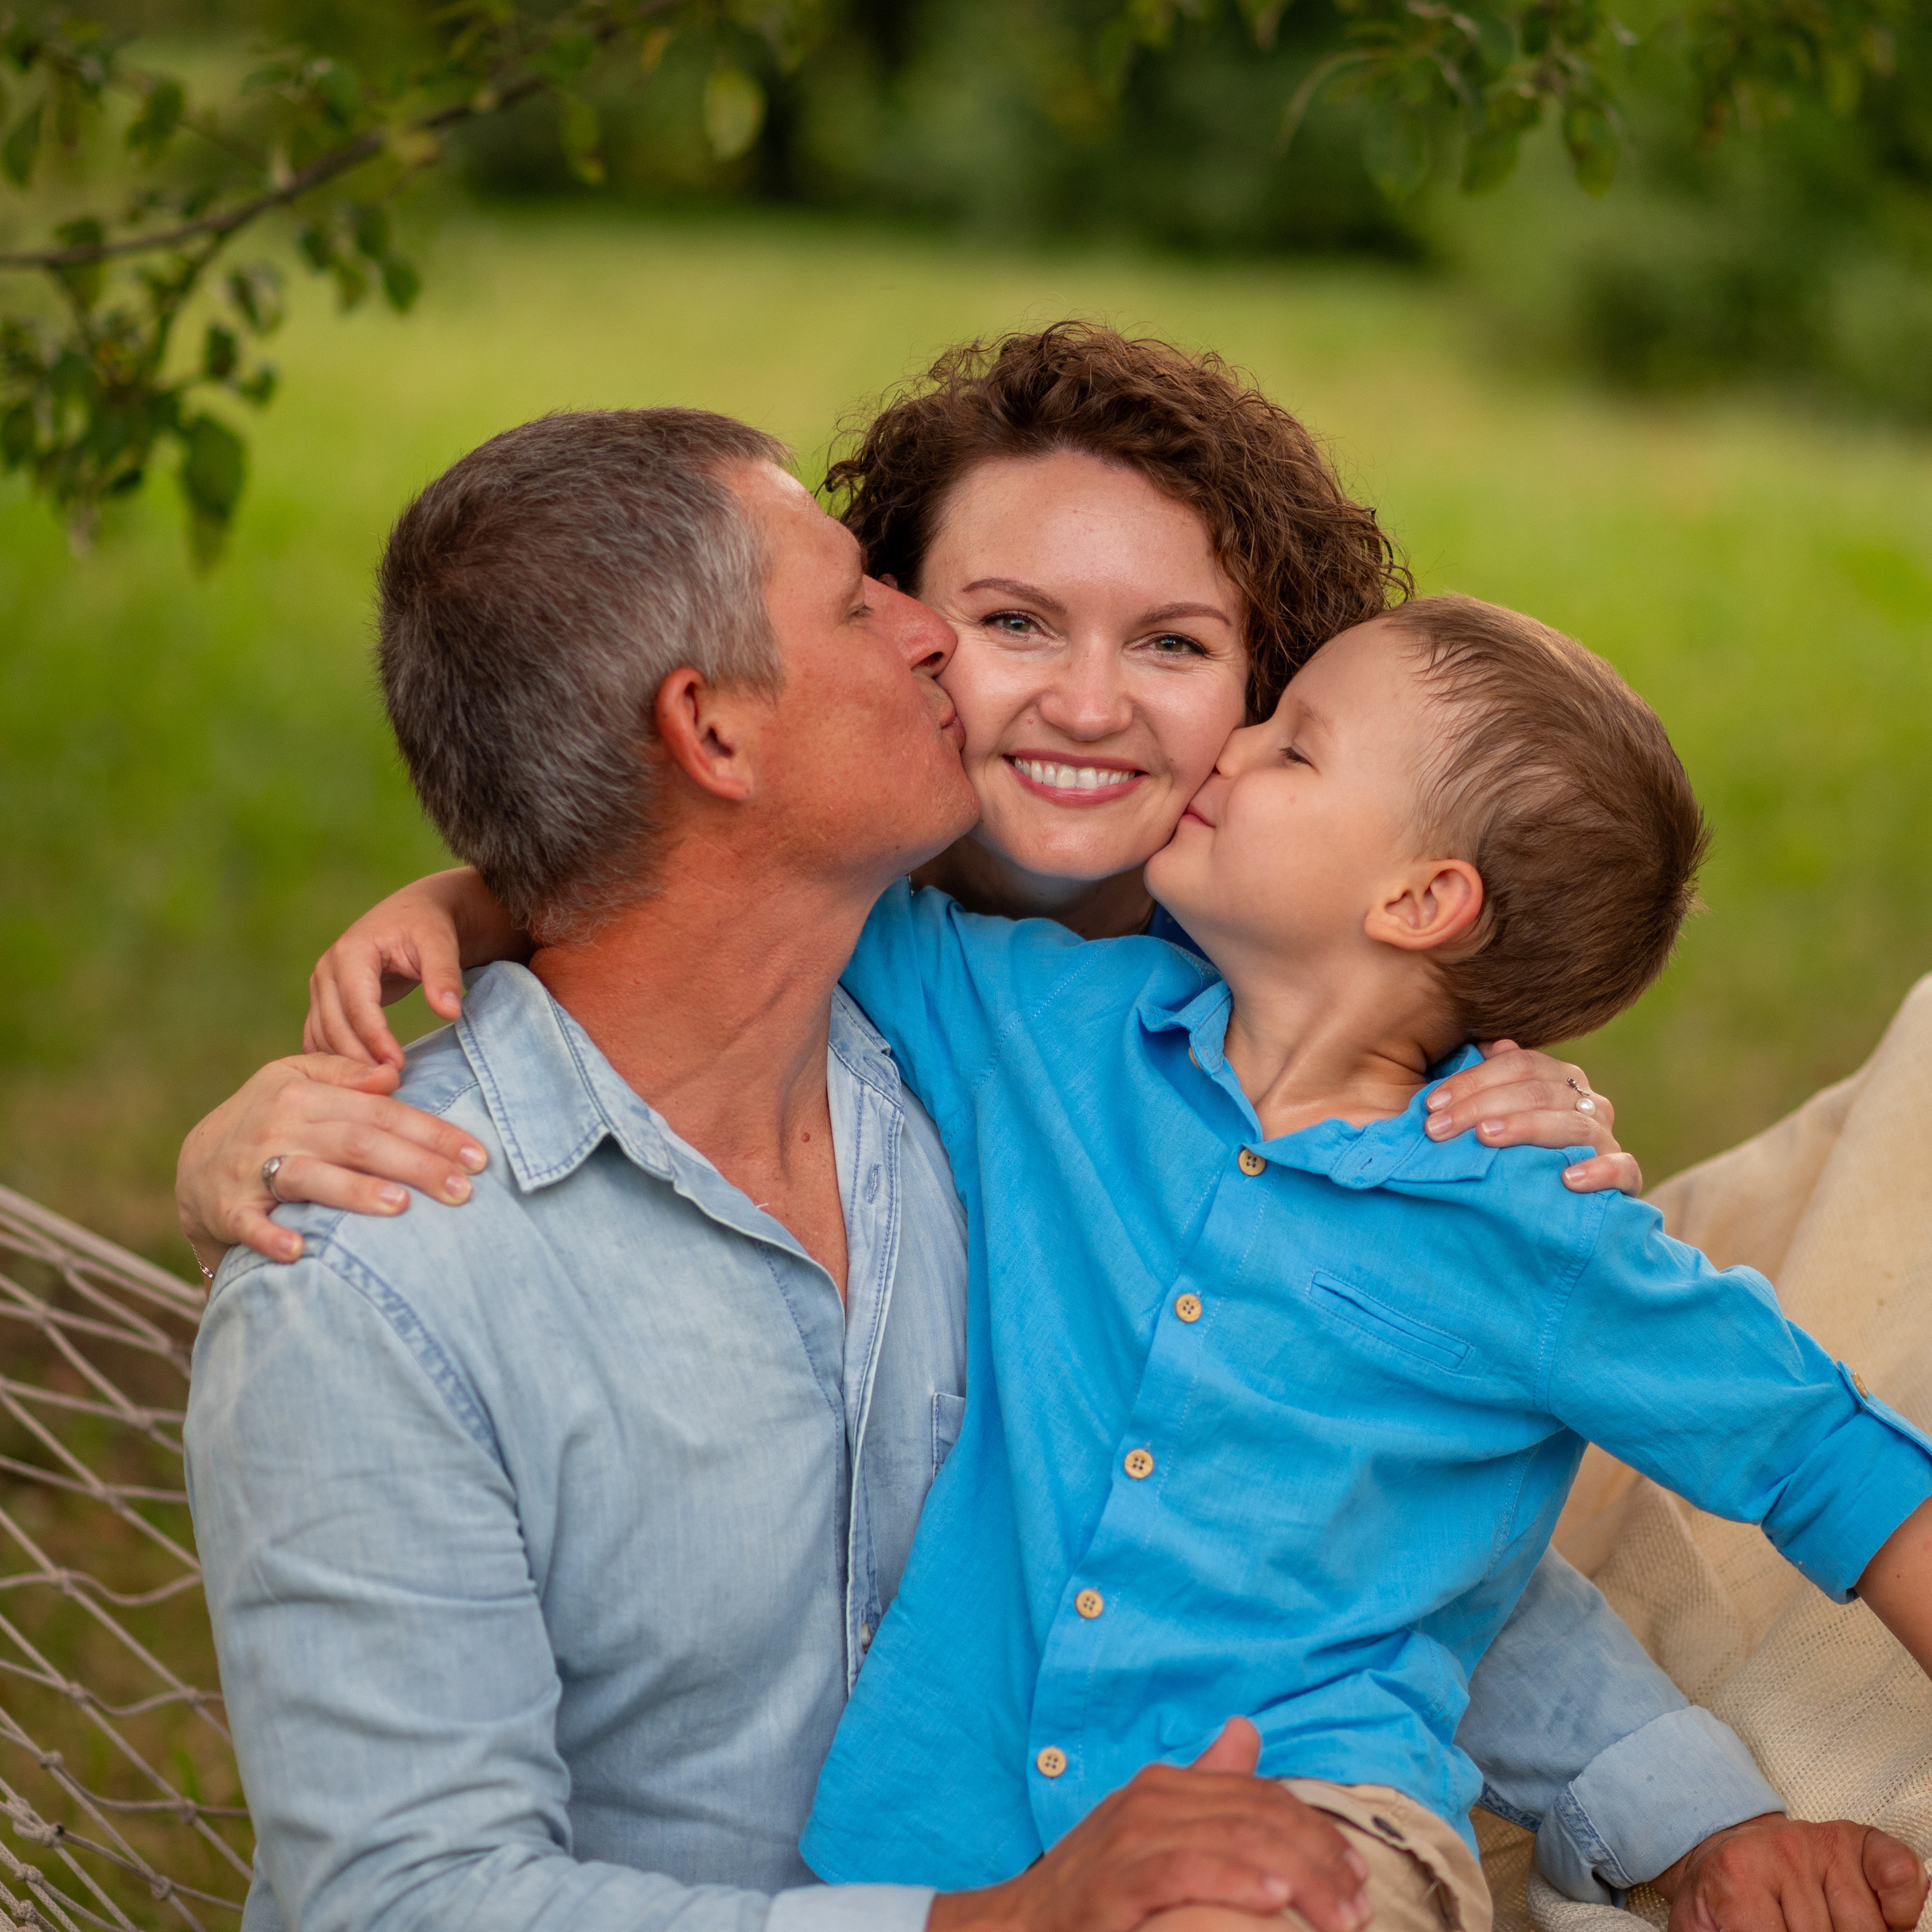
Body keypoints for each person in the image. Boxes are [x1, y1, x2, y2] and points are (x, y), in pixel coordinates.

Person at [175, 348, 1925, 1930]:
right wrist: (478, 906)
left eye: (1182, 650)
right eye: (918, 612)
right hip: (920, 1864)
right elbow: (398, 1889)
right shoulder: (989, 1050)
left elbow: (1332, 1493)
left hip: (1242, 1822)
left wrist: (1689, 1813)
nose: (1067, 696)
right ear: (722, 726)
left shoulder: (1155, 1086)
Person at [784, 595, 1932, 1932]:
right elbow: (745, 898)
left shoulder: (1537, 1224)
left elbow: (1824, 1457)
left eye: (1292, 747)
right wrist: (485, 892)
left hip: (1313, 1814)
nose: (1229, 747)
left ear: (1421, 898)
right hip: (941, 1827)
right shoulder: (1046, 1024)